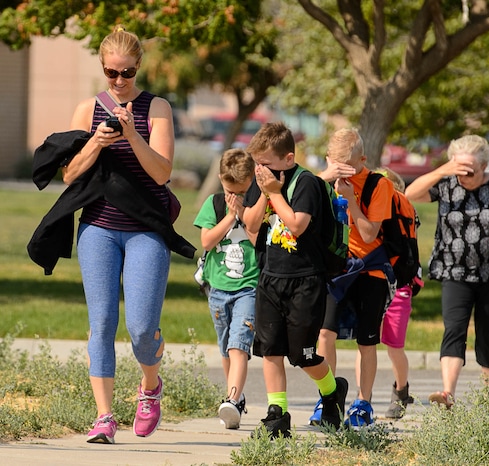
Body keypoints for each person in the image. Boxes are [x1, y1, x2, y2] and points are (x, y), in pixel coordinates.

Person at [61, 27, 181, 444]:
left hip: (145, 229)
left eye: (127, 72)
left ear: (138, 68)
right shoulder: (87, 110)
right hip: (98, 227)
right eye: (111, 72)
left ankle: (150, 387)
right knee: (102, 322)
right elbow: (70, 175)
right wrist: (95, 141)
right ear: (103, 68)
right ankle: (105, 417)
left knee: (142, 328)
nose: (119, 80)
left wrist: (132, 133)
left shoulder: (157, 108)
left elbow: (163, 173)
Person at [242, 122, 348, 438]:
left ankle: (332, 391)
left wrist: (275, 193)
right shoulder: (263, 181)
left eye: (267, 164)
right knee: (270, 349)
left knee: (301, 355)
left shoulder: (307, 184)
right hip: (270, 278)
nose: (261, 170)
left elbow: (297, 225)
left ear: (289, 159)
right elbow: (249, 223)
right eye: (257, 164)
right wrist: (264, 192)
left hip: (305, 280)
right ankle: (277, 415)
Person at [405, 134, 489, 408]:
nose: (464, 175)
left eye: (470, 170)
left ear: (484, 166)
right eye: (459, 167)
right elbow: (408, 194)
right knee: (454, 330)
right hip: (454, 271)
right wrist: (444, 170)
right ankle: (448, 393)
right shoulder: (446, 183)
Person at [312, 128, 396, 428]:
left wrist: (350, 198)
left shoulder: (378, 185)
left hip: (368, 269)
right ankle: (328, 397)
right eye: (337, 165)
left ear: (363, 158)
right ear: (328, 160)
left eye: (350, 166)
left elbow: (371, 232)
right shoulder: (319, 182)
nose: (344, 172)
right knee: (324, 334)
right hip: (334, 269)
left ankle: (363, 402)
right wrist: (325, 178)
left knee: (366, 339)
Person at [193, 149, 258, 429]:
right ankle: (237, 398)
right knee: (225, 347)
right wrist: (231, 217)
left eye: (242, 191)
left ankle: (230, 399)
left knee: (238, 343)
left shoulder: (257, 204)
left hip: (249, 287)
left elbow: (261, 242)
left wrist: (244, 212)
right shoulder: (215, 204)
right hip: (218, 287)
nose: (236, 196)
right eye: (231, 190)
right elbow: (207, 241)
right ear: (221, 180)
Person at [358, 167, 423, 419]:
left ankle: (401, 390)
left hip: (398, 285)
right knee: (366, 342)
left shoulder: (400, 210)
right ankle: (364, 396)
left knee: (394, 345)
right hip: (371, 280)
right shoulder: (368, 213)